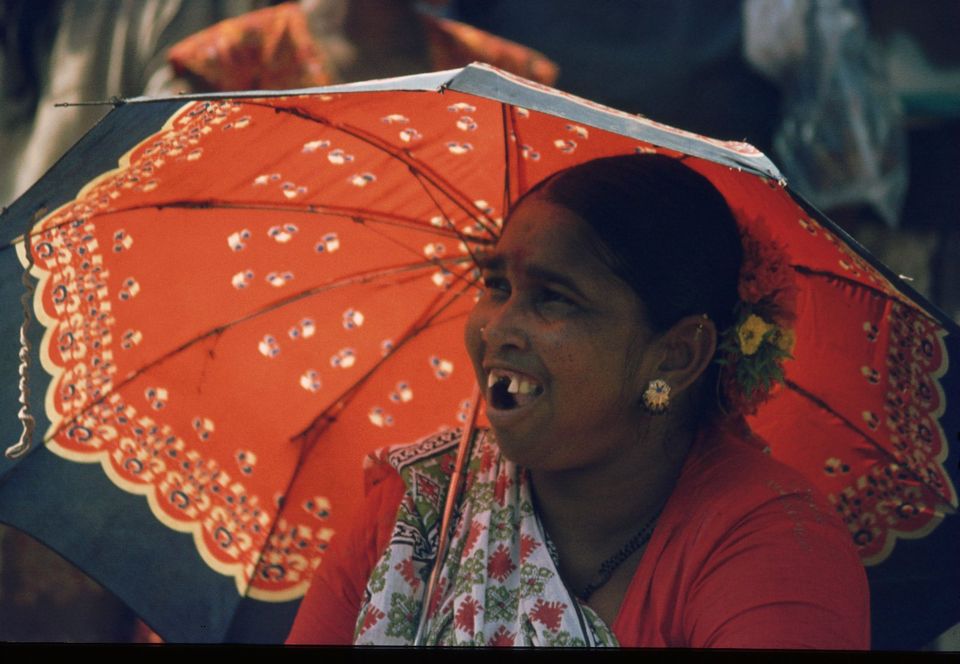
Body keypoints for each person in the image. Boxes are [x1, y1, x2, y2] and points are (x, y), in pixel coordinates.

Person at [285, 154, 870, 648]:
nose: (497, 329)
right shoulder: (417, 515)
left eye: (554, 299)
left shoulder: (768, 542)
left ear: (676, 355)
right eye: (496, 286)